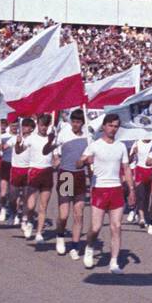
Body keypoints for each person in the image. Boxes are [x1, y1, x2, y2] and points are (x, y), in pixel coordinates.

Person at [78, 112, 133, 272]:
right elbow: (78, 163)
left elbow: (126, 168)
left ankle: (114, 262)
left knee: (116, 226)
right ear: (104, 126)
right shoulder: (94, 145)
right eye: (110, 125)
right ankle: (89, 247)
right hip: (99, 189)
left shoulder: (121, 146)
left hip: (116, 189)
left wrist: (131, 189)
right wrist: (84, 161)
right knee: (96, 227)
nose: (113, 129)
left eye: (116, 126)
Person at [54, 109, 91, 256]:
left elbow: (90, 154)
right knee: (64, 215)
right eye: (73, 122)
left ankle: (75, 246)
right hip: (66, 175)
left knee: (79, 214)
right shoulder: (64, 133)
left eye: (78, 122)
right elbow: (54, 148)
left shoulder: (88, 135)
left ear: (82, 123)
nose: (75, 124)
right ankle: (60, 236)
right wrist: (56, 157)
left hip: (80, 176)